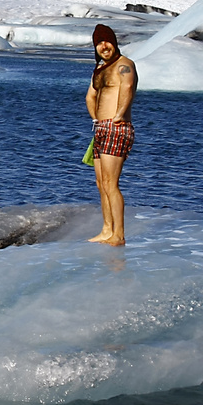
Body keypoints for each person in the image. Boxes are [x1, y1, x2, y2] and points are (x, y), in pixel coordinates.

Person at [85, 24, 136, 246]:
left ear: (114, 42)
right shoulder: (99, 69)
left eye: (107, 41)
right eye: (99, 43)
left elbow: (127, 88)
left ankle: (119, 235)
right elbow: (90, 96)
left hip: (117, 127)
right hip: (101, 128)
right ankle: (107, 229)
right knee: (100, 183)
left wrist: (119, 115)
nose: (103, 46)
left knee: (111, 182)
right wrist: (96, 119)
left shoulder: (124, 65)